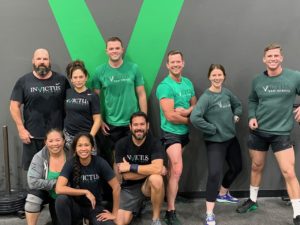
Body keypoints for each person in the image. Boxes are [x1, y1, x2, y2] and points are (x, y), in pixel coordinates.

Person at [236, 43, 300, 225]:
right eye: (269, 56)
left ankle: (297, 213)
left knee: (289, 172)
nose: (272, 59)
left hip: (281, 133)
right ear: (264, 59)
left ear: (281, 58)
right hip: (258, 132)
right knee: (256, 166)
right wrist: (252, 116)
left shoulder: (294, 77)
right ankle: (253, 201)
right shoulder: (257, 80)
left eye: (276, 56)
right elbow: (252, 99)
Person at [190, 64, 243, 225]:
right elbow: (195, 118)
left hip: (231, 139)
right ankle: (209, 213)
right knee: (214, 174)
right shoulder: (206, 97)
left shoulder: (226, 93)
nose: (217, 77)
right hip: (215, 143)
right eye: (214, 75)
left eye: (220, 75)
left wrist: (237, 115)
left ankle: (223, 193)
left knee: (237, 167)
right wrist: (211, 128)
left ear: (224, 76)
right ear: (209, 77)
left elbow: (238, 105)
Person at [10, 48, 70, 170]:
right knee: (34, 171)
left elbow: (70, 103)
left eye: (45, 59)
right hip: (32, 137)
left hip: (56, 138)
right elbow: (13, 106)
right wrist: (21, 129)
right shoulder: (24, 81)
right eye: (39, 58)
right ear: (33, 61)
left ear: (49, 61)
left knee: (59, 170)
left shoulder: (61, 80)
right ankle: (35, 190)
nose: (42, 61)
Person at [156, 50, 197, 225]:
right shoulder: (165, 86)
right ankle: (170, 211)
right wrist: (191, 120)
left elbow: (195, 104)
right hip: (170, 133)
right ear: (167, 65)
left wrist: (188, 111)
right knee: (177, 170)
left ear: (183, 63)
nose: (175, 64)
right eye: (172, 62)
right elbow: (170, 116)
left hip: (184, 134)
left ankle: (170, 198)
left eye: (178, 62)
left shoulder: (187, 83)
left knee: (173, 172)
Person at [55, 132, 120, 225]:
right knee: (61, 199)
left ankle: (86, 221)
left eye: (86, 145)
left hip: (95, 207)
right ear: (75, 149)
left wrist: (115, 213)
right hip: (76, 208)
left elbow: (116, 187)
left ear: (92, 147)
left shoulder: (100, 162)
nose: (83, 148)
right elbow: (59, 189)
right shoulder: (70, 163)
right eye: (80, 145)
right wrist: (85, 191)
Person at [114, 112, 166, 225]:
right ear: (130, 127)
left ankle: (156, 220)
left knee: (156, 179)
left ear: (147, 126)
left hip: (147, 186)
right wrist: (152, 170)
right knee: (120, 222)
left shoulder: (155, 143)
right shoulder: (121, 144)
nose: (139, 128)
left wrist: (130, 167)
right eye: (135, 125)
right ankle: (138, 206)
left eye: (142, 124)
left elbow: (157, 170)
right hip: (129, 188)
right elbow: (126, 175)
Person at [25, 128, 67, 225]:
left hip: (64, 194)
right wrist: (56, 183)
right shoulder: (39, 157)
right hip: (46, 192)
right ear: (46, 142)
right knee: (33, 197)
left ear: (64, 141)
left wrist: (62, 187)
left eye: (58, 140)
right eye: (51, 141)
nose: (55, 144)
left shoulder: (71, 155)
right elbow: (32, 182)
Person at [64, 60, 101, 155]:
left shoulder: (92, 95)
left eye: (81, 77)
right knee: (72, 165)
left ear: (86, 78)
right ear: (71, 79)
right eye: (75, 77)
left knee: (90, 166)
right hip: (69, 136)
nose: (78, 80)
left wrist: (90, 137)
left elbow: (97, 120)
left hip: (86, 137)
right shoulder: (67, 93)